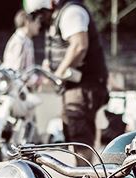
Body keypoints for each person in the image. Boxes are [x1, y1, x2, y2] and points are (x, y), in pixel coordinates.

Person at [25, 0, 108, 160]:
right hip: (75, 86)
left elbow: (79, 46)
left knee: (80, 134)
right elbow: (62, 47)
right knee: (73, 132)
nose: (39, 20)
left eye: (38, 15)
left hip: (85, 85)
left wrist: (59, 72)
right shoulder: (58, 17)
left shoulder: (72, 12)